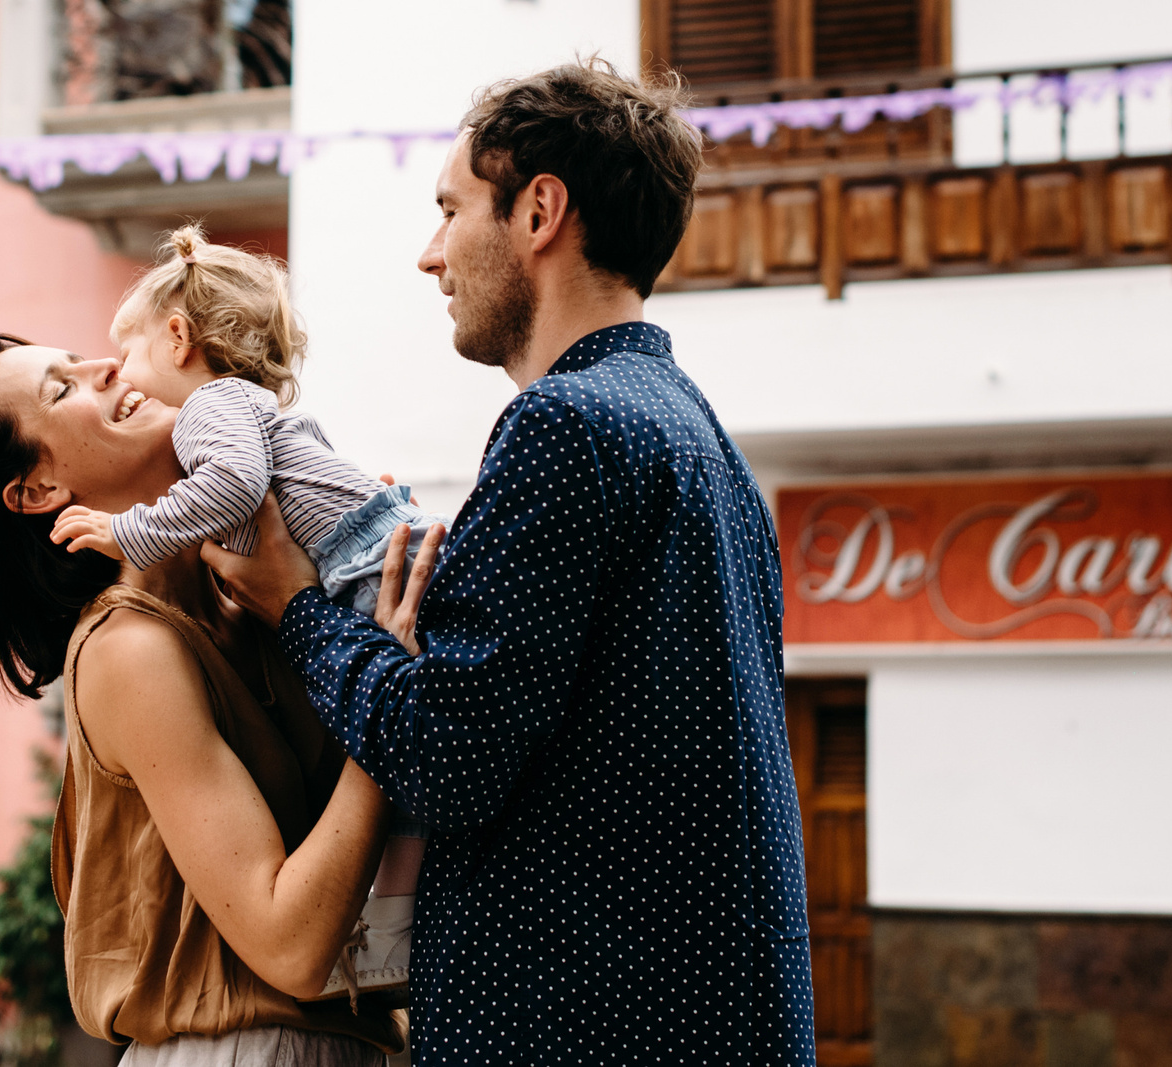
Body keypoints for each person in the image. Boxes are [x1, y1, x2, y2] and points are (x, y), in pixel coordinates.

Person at [203, 59, 818, 1067]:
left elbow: (446, 759)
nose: (429, 255)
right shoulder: (692, 432)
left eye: (449, 211)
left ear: (539, 212)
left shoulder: (566, 426)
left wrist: (298, 608)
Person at [0, 333, 423, 1065]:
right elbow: (290, 943)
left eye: (79, 357)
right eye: (61, 387)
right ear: (39, 490)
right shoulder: (128, 648)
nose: (105, 364)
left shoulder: (258, 603)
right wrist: (388, 689)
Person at [46, 225, 440, 995]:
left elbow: (230, 487)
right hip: (366, 557)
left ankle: (397, 940)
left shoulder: (209, 407)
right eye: (66, 385)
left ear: (178, 337)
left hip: (363, 569)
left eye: (122, 356)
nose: (116, 373)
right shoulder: (245, 403)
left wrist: (124, 527)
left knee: (424, 745)